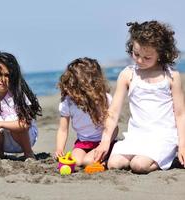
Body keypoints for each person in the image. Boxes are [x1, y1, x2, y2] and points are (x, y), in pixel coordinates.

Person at [94, 20, 185, 174]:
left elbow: (180, 113)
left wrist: (182, 144)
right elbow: (114, 111)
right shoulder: (128, 74)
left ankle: (168, 157)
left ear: (161, 54)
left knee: (139, 165)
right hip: (137, 135)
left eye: (147, 57)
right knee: (114, 163)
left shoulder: (171, 76)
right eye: (136, 54)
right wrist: (105, 141)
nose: (140, 60)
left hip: (163, 136)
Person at [0, 51, 42, 160]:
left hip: (26, 138)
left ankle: (29, 153)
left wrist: (0, 124)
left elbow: (25, 124)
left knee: (11, 119)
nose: (3, 79)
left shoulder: (18, 96)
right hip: (4, 142)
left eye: (7, 75)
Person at [54, 57, 117, 166]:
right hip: (83, 143)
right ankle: (100, 159)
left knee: (88, 161)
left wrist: (105, 143)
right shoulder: (68, 102)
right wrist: (59, 148)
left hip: (104, 141)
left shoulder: (104, 99)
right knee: (77, 162)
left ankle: (107, 158)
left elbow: (113, 126)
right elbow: (63, 129)